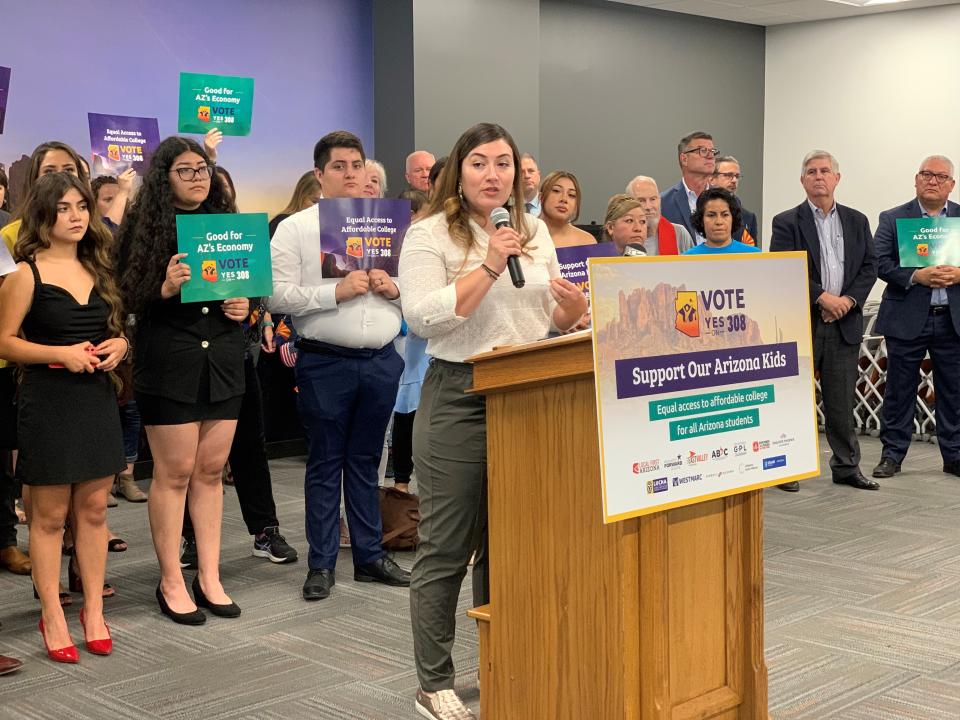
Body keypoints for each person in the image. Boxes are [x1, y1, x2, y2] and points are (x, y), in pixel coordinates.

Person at [399, 122, 587, 719]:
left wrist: (572, 312)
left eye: (503, 164)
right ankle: (434, 680)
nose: (493, 175)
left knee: (515, 545)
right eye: (479, 163)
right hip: (460, 394)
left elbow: (544, 319)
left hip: (530, 396)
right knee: (448, 548)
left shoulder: (531, 231)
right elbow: (425, 320)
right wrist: (485, 265)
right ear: (459, 171)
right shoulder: (429, 235)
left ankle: (504, 659)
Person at [270, 130, 409, 602]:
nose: (351, 174)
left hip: (382, 362)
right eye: (339, 167)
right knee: (326, 464)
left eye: (356, 165)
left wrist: (397, 291)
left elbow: (419, 287)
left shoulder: (393, 225)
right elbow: (274, 295)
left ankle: (370, 556)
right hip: (325, 362)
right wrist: (335, 291)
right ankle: (322, 563)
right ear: (319, 175)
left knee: (368, 464)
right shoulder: (296, 228)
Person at [116, 136, 247, 624]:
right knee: (172, 476)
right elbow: (123, 298)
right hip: (169, 364)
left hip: (224, 363)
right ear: (163, 177)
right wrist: (163, 288)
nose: (199, 178)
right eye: (187, 170)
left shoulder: (228, 225)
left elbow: (248, 288)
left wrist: (245, 305)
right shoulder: (143, 228)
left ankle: (209, 576)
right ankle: (171, 579)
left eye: (204, 169)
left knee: (211, 474)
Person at [0, 172, 128, 661]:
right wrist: (60, 353)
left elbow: (117, 328)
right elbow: (5, 342)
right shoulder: (24, 274)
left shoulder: (101, 266)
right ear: (43, 216)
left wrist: (121, 343)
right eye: (65, 209)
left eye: (82, 207)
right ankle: (52, 613)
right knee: (50, 518)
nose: (76, 217)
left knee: (94, 513)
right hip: (48, 400)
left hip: (95, 399)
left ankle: (93, 610)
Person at [770, 150, 878, 492]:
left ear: (836, 178)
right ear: (803, 180)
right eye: (812, 172)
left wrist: (846, 301)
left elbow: (869, 267)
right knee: (794, 397)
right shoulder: (786, 221)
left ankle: (846, 466)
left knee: (841, 400)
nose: (819, 176)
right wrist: (822, 297)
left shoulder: (857, 220)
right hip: (804, 321)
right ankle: (787, 468)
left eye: (825, 171)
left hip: (844, 322)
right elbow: (785, 266)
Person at [872, 155, 960, 480]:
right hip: (906, 317)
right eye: (927, 174)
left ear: (951, 184)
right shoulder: (893, 217)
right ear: (916, 179)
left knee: (954, 392)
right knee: (899, 390)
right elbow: (879, 262)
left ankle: (954, 456)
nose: (933, 180)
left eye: (941, 176)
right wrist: (916, 277)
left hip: (952, 320)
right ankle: (891, 456)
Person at [660, 131, 718, 243]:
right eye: (703, 150)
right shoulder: (663, 203)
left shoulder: (728, 201)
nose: (710, 156)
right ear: (684, 159)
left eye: (712, 151)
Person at [626, 175, 694, 255]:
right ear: (629, 204)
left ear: (659, 200)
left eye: (653, 199)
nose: (648, 206)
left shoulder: (679, 233)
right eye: (641, 201)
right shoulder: (621, 237)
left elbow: (692, 266)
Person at [683, 188, 760, 255]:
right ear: (701, 220)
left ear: (733, 218)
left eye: (725, 215)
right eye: (711, 215)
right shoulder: (688, 259)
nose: (719, 222)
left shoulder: (754, 255)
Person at [710, 155, 759, 246]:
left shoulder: (748, 217)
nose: (734, 180)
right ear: (712, 179)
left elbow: (752, 255)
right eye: (728, 175)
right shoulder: (700, 211)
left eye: (737, 176)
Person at [539, 170, 595, 248]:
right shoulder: (523, 234)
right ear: (541, 197)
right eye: (556, 191)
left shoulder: (587, 242)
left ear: (576, 205)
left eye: (571, 195)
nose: (564, 199)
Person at [269, 171, 322, 239]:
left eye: (326, 203)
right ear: (300, 196)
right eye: (314, 201)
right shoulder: (281, 223)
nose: (318, 208)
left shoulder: (333, 226)